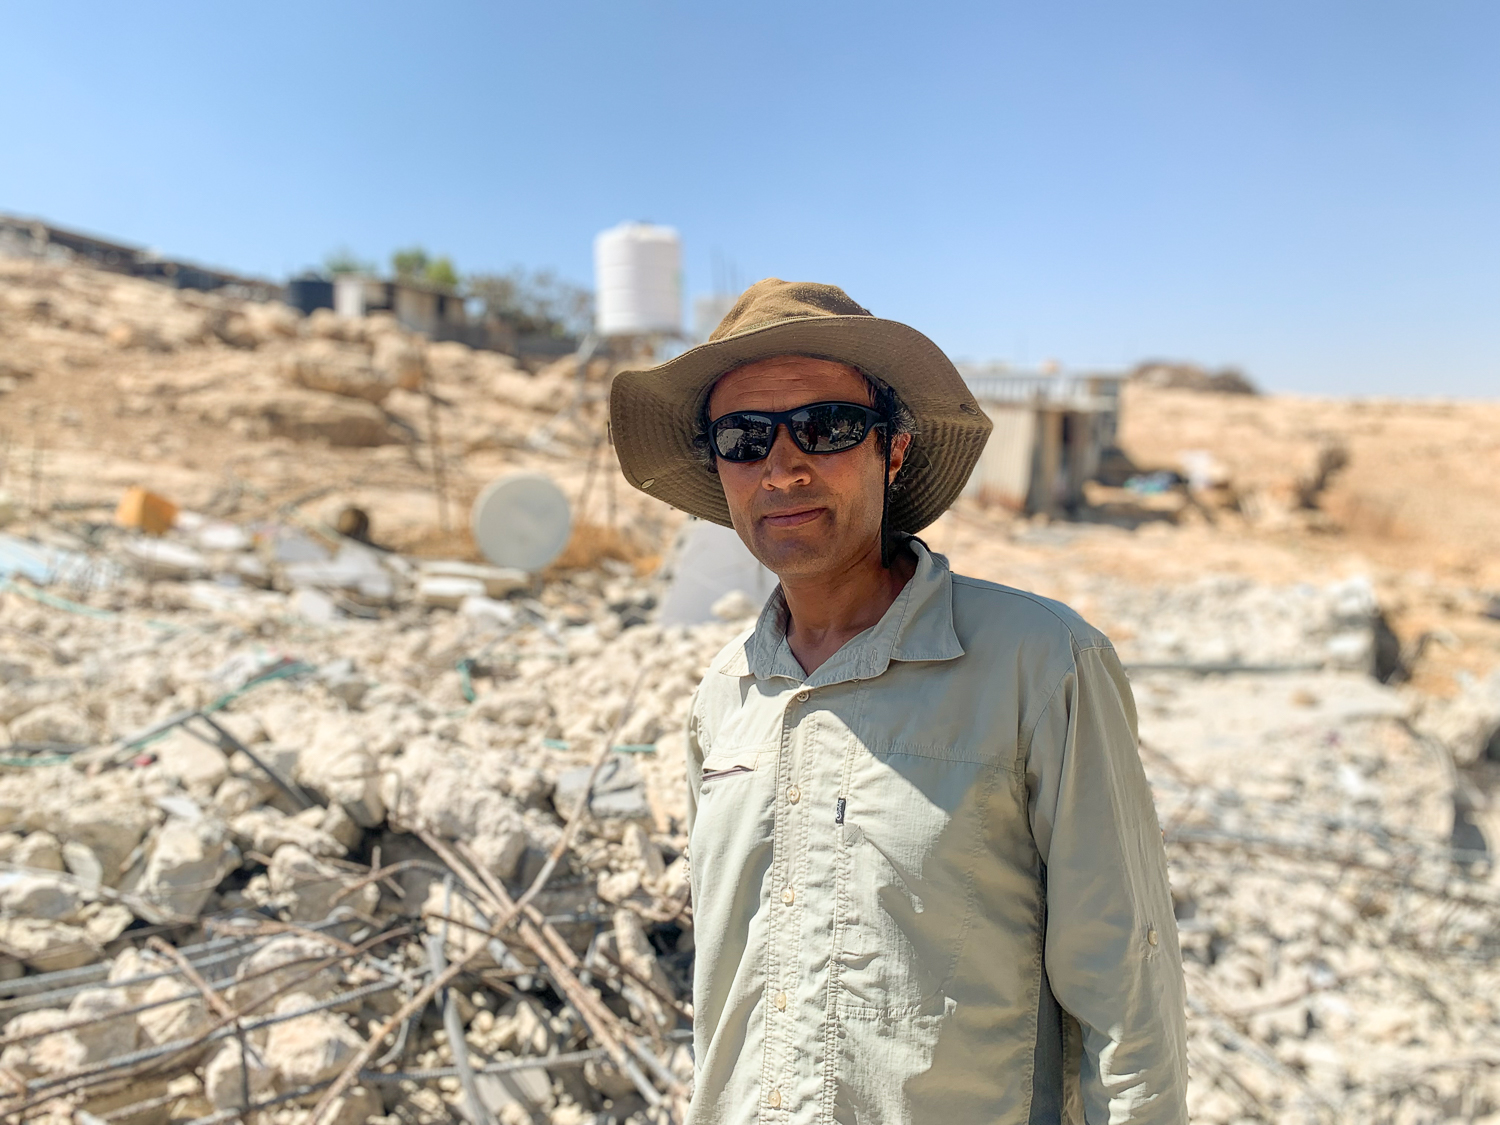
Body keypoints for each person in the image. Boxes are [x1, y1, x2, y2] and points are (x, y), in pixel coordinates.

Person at [609, 280, 1188, 1125]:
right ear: (720, 469)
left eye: (828, 427)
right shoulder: (723, 697)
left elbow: (1126, 991)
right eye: (744, 437)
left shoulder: (1042, 667)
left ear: (896, 450)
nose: (784, 465)